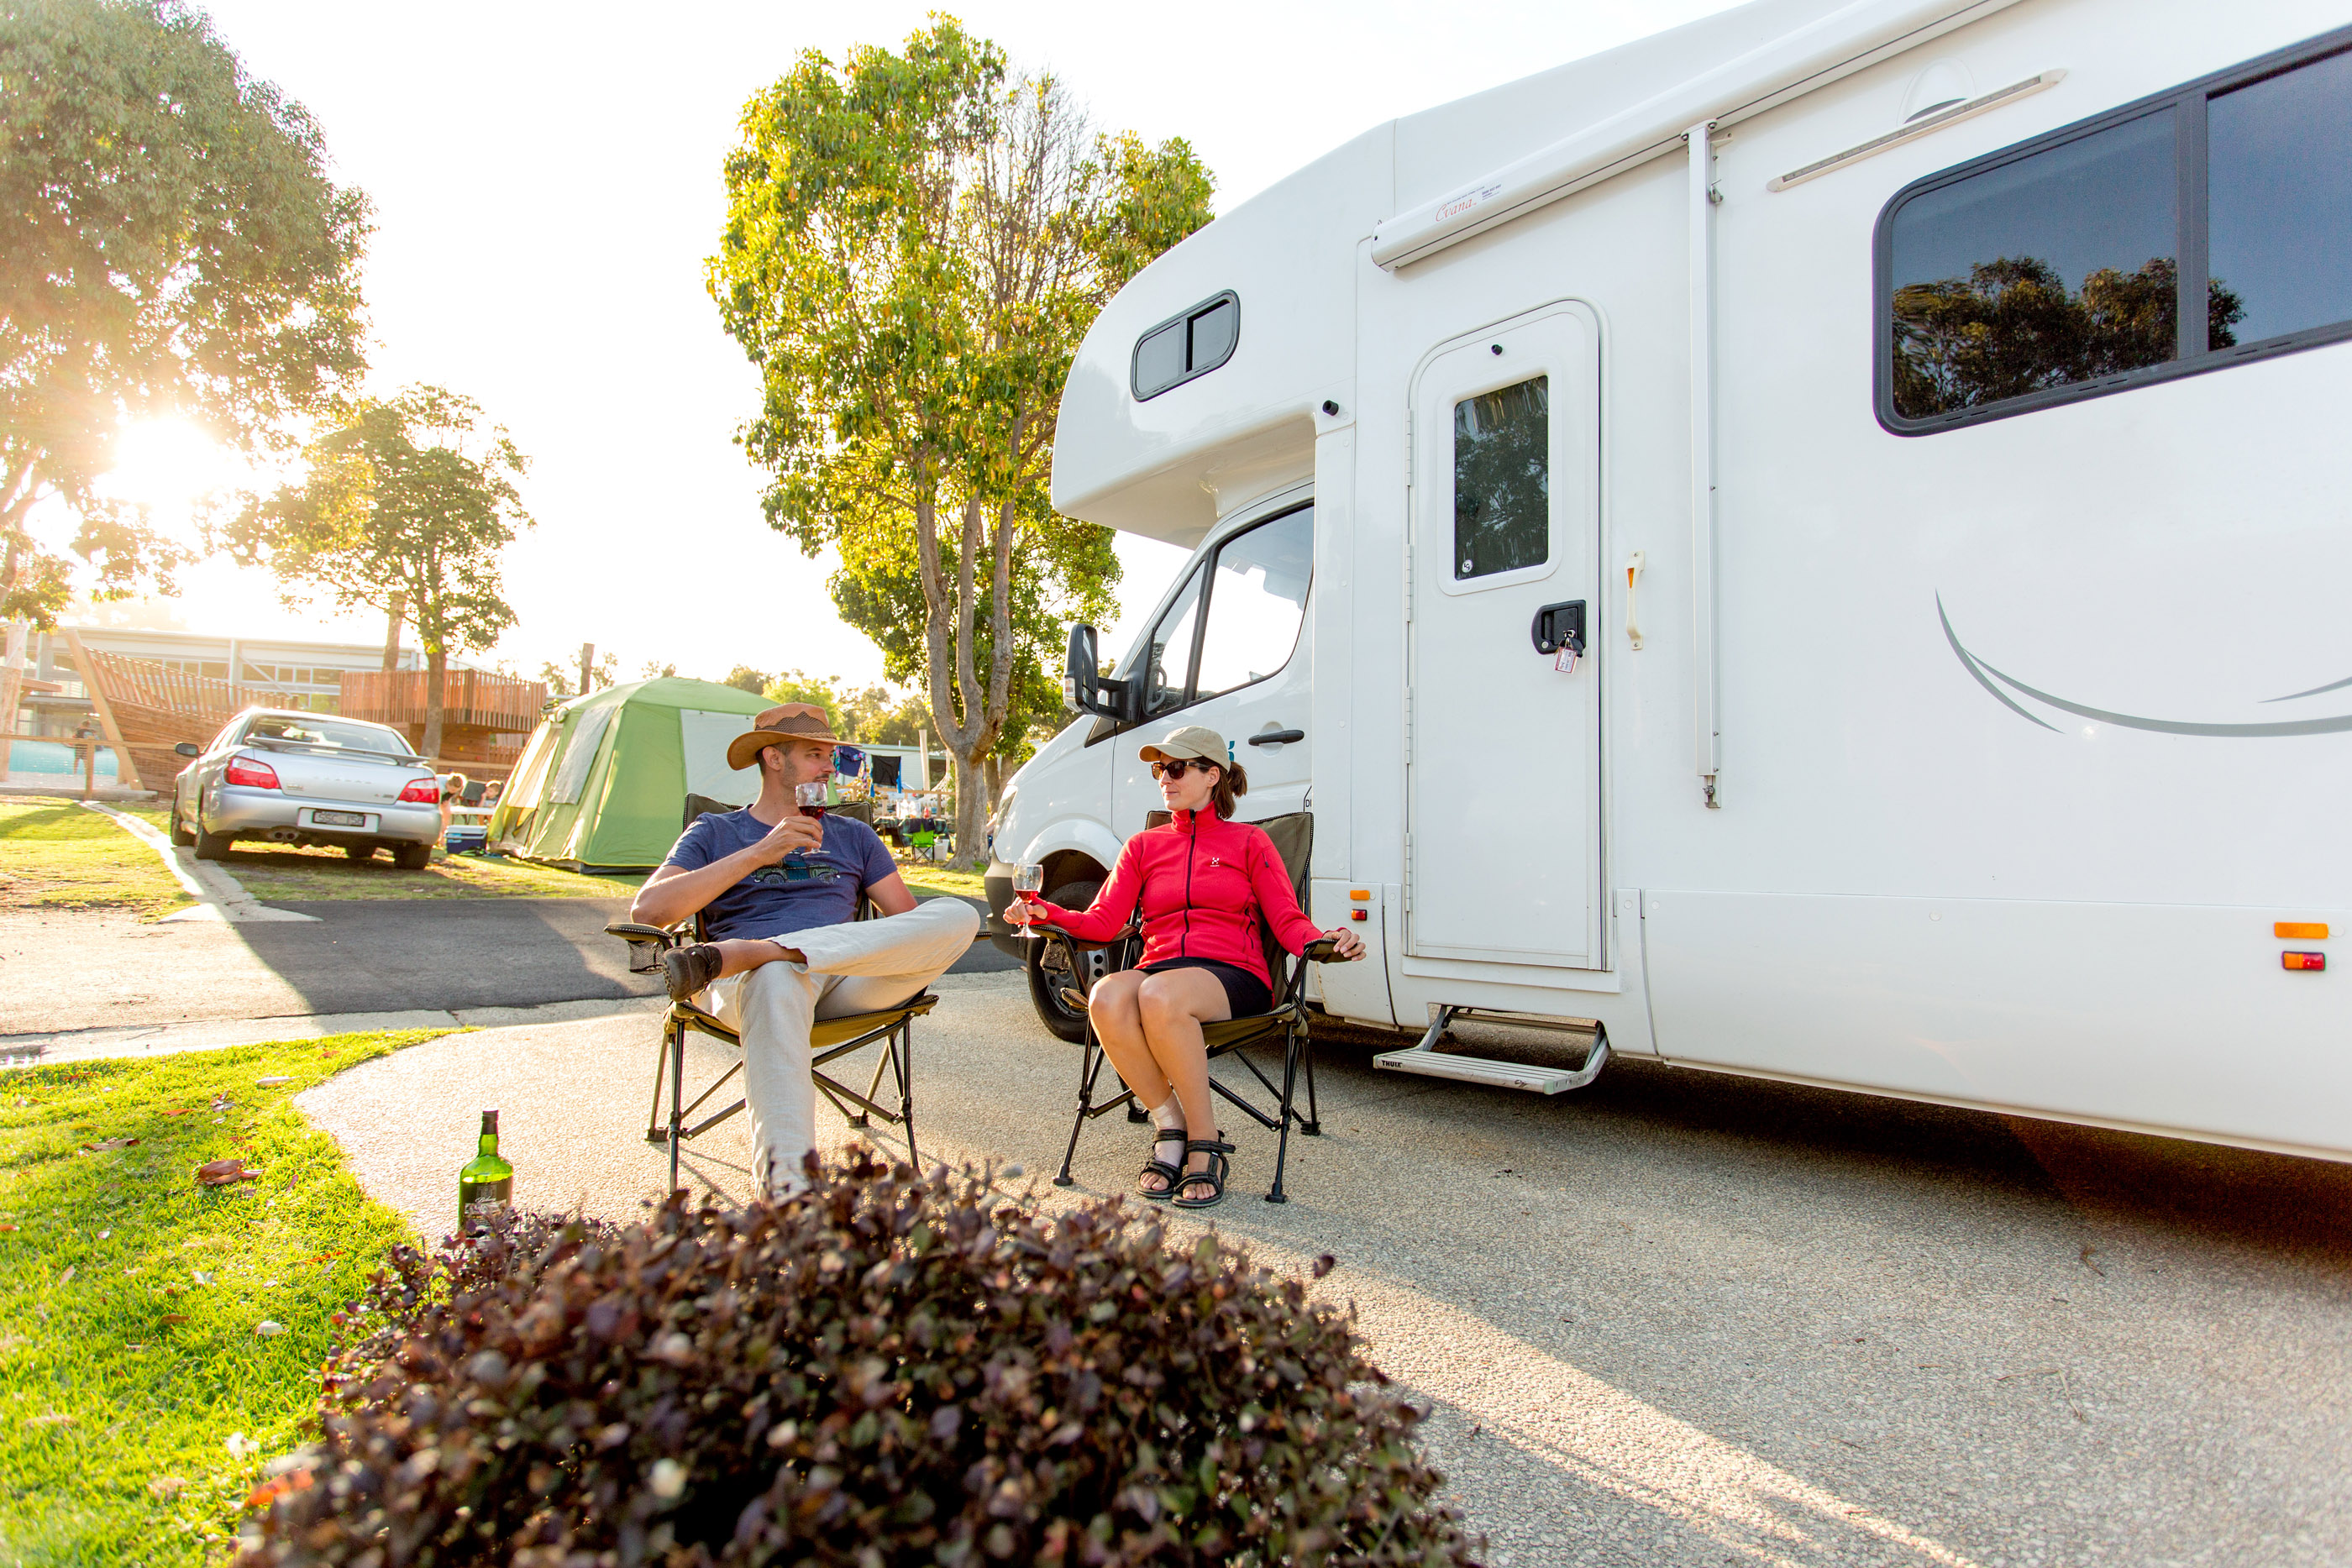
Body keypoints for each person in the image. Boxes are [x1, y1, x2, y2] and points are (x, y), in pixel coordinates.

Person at [1005, 723, 1365, 1209]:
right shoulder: (1142, 846)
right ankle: (1169, 1124)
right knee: (1106, 996)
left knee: (1159, 995)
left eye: (1176, 768)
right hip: (1161, 970)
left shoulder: (1250, 843)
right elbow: (1103, 922)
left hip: (1232, 976)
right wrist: (1045, 911)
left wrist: (1327, 939)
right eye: (1159, 769)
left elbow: (1287, 920)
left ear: (1212, 775)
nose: (1164, 778)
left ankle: (1205, 1141)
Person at [628, 702, 979, 1196]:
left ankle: (760, 950)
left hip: (843, 982)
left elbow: (909, 925)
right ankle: (789, 1195)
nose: (829, 767)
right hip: (745, 986)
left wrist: (775, 950)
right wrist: (759, 853)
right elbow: (648, 911)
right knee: (776, 977)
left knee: (959, 914)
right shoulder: (715, 832)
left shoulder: (855, 835)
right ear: (774, 758)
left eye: (829, 755)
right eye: (815, 754)